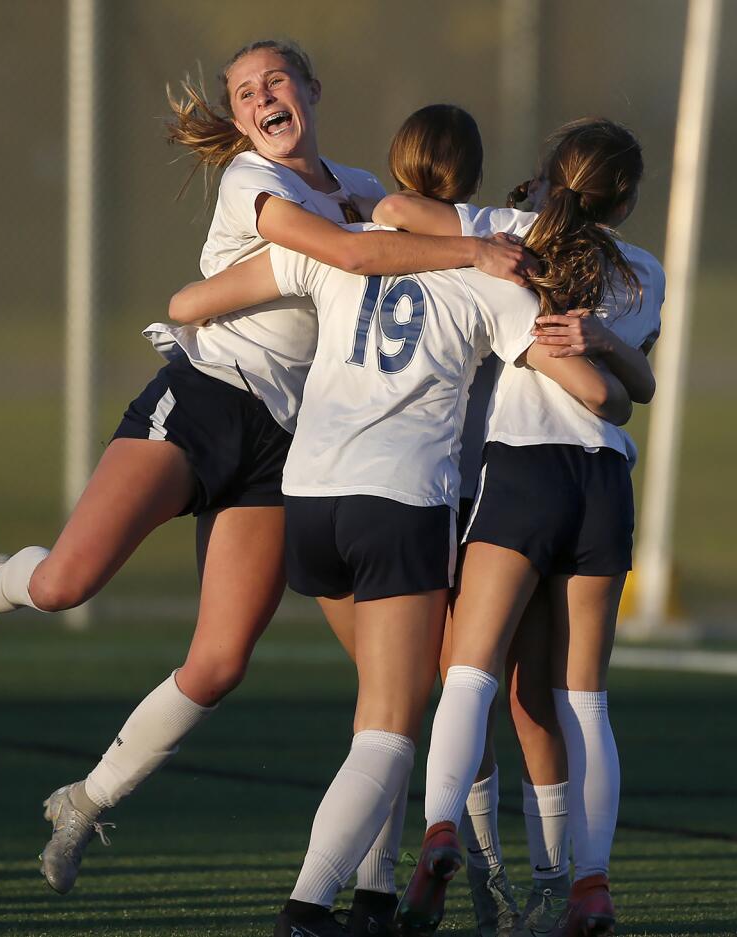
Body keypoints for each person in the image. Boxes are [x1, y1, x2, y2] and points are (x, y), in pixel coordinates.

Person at [0, 40, 534, 901]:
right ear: (242, 116)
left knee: (231, 664)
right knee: (68, 582)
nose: (262, 99)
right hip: (210, 397)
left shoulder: (362, 187)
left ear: (313, 88)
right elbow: (353, 253)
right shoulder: (256, 182)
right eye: (246, 91)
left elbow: (423, 215)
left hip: (290, 447)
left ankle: (88, 798)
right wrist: (473, 252)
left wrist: (515, 227)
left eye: (275, 81)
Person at [169, 103, 632, 937]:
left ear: (394, 165)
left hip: (308, 499)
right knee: (405, 717)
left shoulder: (333, 247)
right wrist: (611, 360)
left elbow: (189, 299)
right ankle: (319, 905)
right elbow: (598, 394)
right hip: (411, 501)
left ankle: (385, 893)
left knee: (405, 698)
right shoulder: (491, 271)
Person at [377, 117, 663, 937]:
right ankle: (590, 885)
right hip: (606, 482)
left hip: (525, 470)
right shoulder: (646, 270)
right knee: (586, 701)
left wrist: (476, 233)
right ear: (630, 197)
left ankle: (439, 836)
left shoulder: (510, 232)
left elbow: (400, 211)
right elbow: (629, 386)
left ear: (548, 177)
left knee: (469, 673)